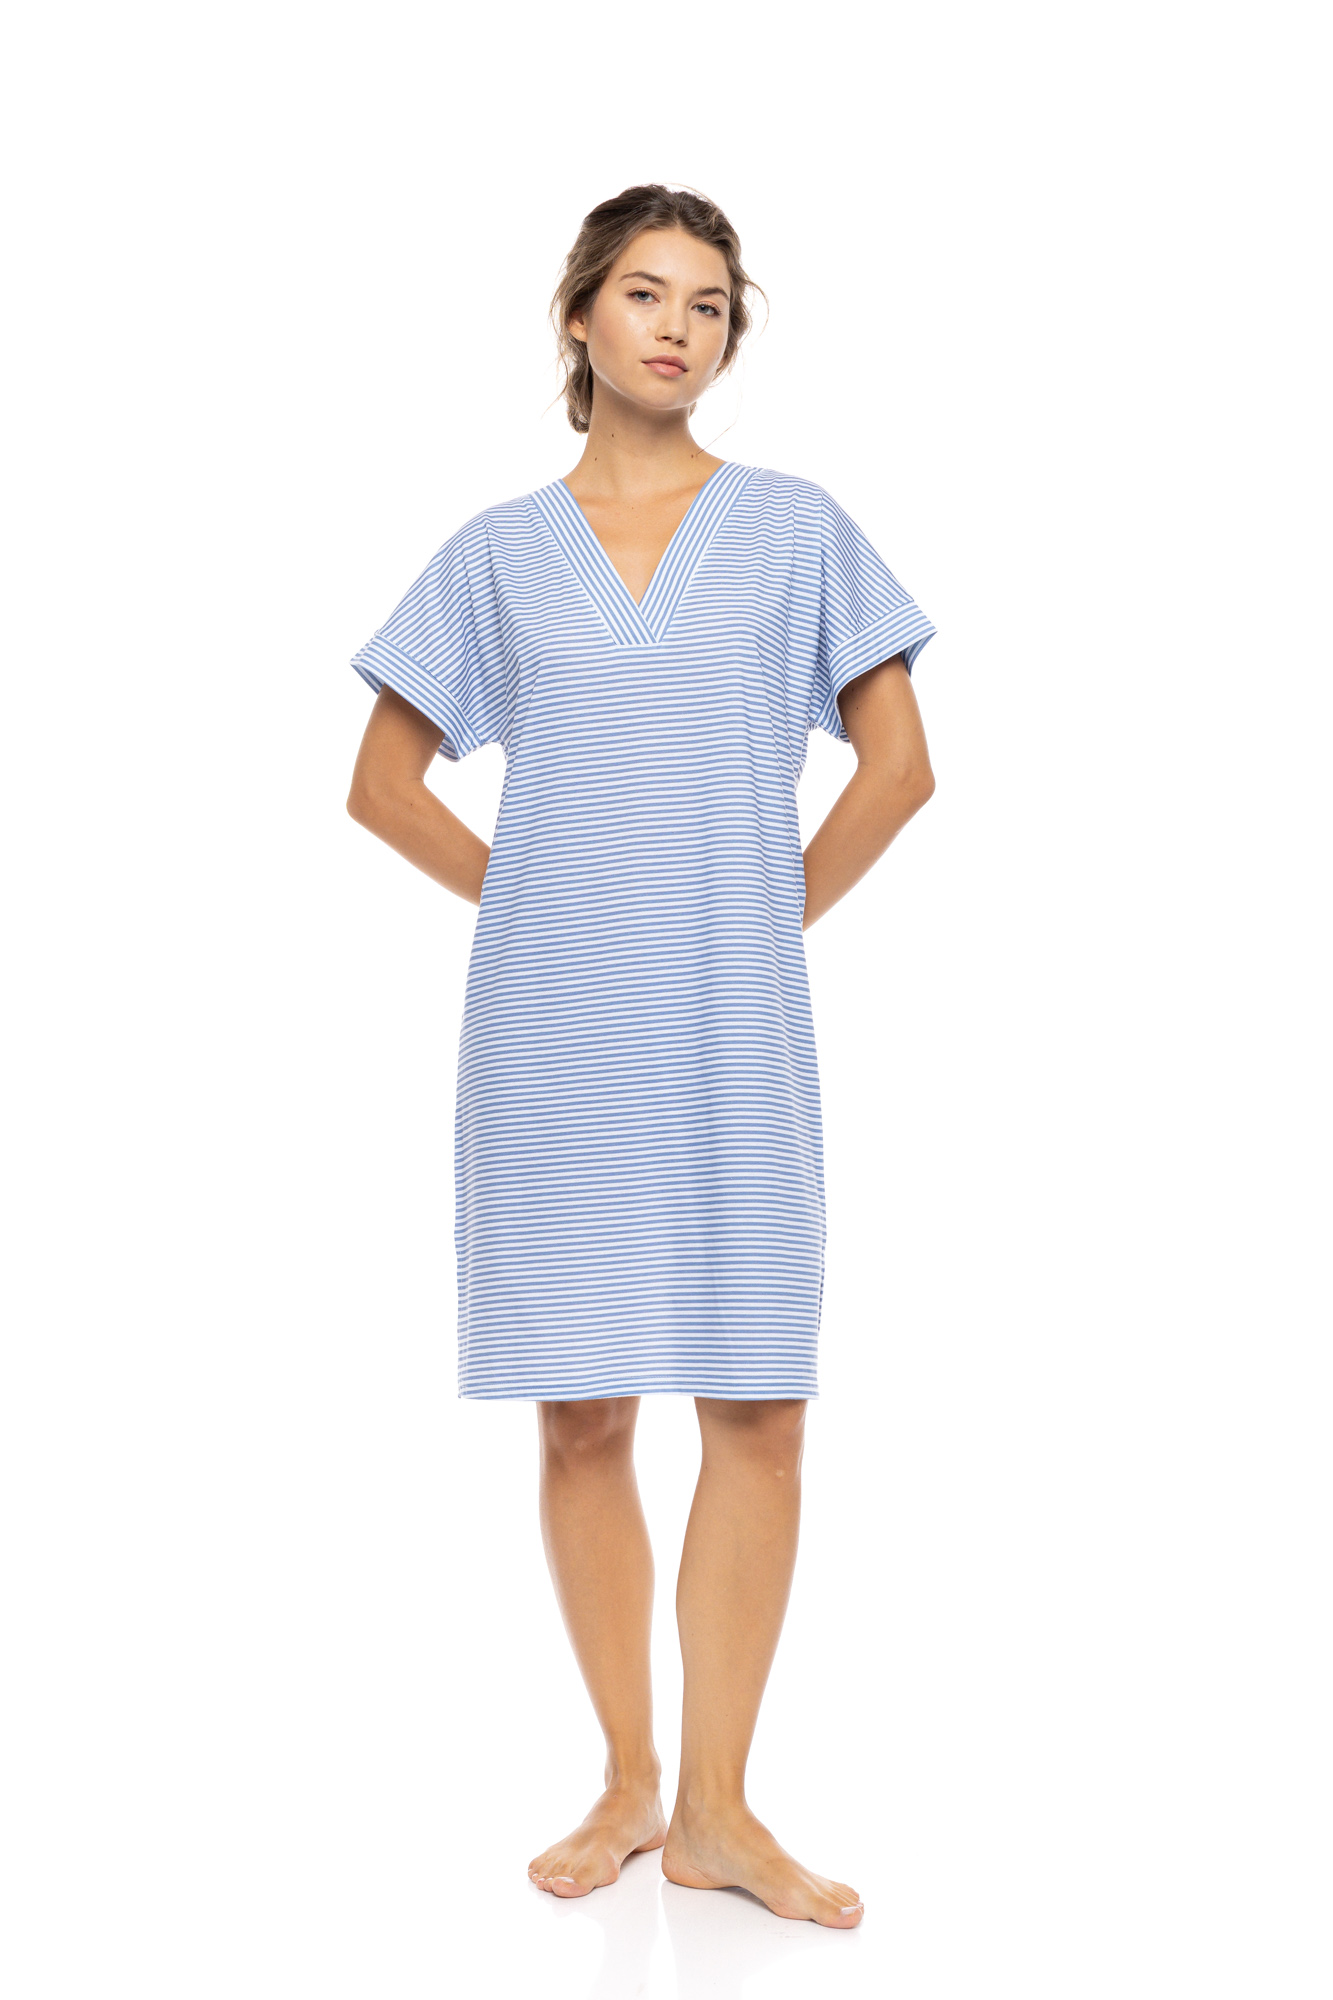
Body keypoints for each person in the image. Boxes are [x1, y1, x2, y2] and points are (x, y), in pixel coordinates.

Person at [345, 183, 937, 1930]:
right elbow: (380, 786)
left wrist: (760, 914)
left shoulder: (797, 532)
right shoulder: (492, 555)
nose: (678, 325)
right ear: (579, 317)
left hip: (733, 1029)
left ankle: (720, 1810)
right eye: (645, 293)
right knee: (582, 1409)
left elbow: (900, 768)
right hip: (548, 1037)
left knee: (756, 1405)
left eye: (709, 303)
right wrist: (535, 897)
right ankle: (626, 1778)